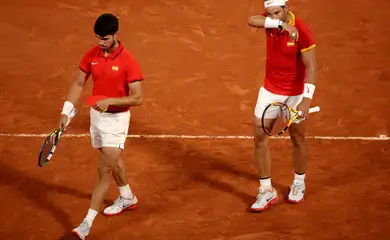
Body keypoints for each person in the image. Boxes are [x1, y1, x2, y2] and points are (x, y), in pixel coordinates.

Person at [58, 13, 144, 239]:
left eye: (104, 39)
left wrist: (111, 101)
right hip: (96, 117)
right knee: (112, 158)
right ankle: (127, 197)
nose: (100, 43)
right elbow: (79, 83)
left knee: (104, 172)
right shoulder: (92, 54)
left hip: (116, 120)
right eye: (97, 38)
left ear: (116, 34)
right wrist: (66, 111)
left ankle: (86, 224)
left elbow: (138, 98)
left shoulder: (128, 61)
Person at [247, 0, 318, 211]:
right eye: (270, 13)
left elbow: (312, 68)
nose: (274, 16)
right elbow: (252, 20)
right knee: (260, 137)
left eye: (277, 13)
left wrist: (306, 100)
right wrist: (279, 24)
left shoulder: (303, 31)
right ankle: (266, 190)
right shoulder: (272, 22)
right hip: (270, 89)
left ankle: (299, 182)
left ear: (286, 8)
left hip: (296, 94)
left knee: (297, 138)